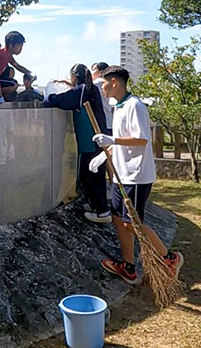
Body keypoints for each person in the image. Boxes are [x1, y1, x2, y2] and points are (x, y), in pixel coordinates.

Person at [90, 65, 184, 283]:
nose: (102, 88)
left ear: (114, 82)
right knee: (117, 217)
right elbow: (123, 139)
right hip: (120, 174)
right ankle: (128, 265)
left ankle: (169, 257)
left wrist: (112, 140)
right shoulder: (118, 107)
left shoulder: (135, 106)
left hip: (136, 175)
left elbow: (141, 139)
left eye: (104, 84)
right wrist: (105, 155)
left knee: (131, 222)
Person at [44, 64, 112, 223]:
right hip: (98, 139)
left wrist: (49, 96)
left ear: (74, 77)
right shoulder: (89, 89)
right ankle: (99, 206)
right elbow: (72, 93)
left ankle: (101, 211)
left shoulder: (83, 91)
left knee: (85, 176)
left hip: (91, 141)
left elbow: (60, 100)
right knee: (98, 176)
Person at [90, 62, 113, 134]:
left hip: (102, 121)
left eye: (94, 69)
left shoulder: (98, 83)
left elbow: (82, 87)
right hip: (109, 121)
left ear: (101, 72)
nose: (92, 72)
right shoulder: (108, 83)